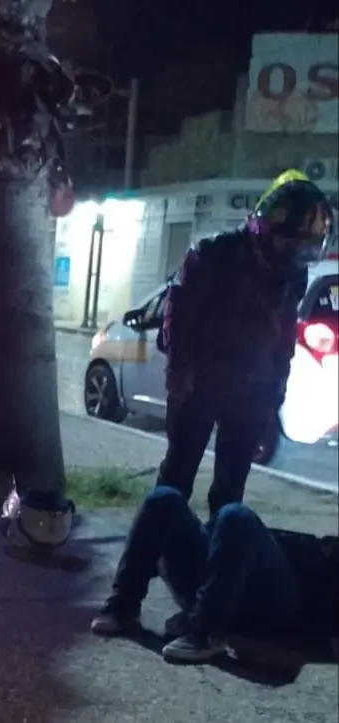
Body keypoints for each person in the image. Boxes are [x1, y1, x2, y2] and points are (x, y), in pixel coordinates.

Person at [157, 170, 334, 514]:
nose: (293, 254)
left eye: (302, 248)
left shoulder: (291, 273)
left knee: (230, 489)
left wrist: (275, 391)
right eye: (290, 243)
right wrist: (178, 369)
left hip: (250, 390)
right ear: (269, 229)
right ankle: (151, 553)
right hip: (199, 383)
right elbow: (177, 314)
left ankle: (219, 558)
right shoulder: (212, 254)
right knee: (176, 479)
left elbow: (283, 333)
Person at [91, 486, 339, 663]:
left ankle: (206, 632)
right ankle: (123, 605)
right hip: (216, 576)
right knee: (163, 498)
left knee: (237, 516)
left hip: (272, 601)